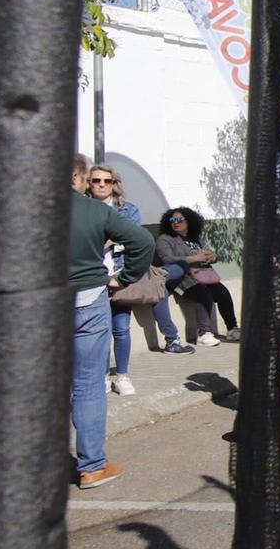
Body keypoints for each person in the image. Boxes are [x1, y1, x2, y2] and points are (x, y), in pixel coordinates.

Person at [69, 154, 154, 489]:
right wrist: (124, 278)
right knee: (88, 385)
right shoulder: (96, 211)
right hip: (88, 301)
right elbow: (144, 242)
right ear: (80, 178)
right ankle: (91, 466)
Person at [87, 164, 146, 394]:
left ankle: (122, 376)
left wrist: (109, 239)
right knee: (98, 331)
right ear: (89, 183)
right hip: (92, 277)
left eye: (107, 181)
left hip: (119, 276)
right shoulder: (82, 209)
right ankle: (100, 376)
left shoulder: (127, 210)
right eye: (96, 180)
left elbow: (136, 241)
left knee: (121, 328)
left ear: (114, 184)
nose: (102, 185)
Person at [156, 206, 238, 345]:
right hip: (181, 278)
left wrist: (212, 257)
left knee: (223, 292)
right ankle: (204, 333)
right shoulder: (165, 239)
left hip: (203, 274)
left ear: (190, 221)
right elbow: (167, 259)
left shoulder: (196, 238)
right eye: (173, 220)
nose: (176, 222)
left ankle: (232, 328)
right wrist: (193, 258)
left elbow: (209, 252)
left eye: (180, 219)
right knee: (203, 294)